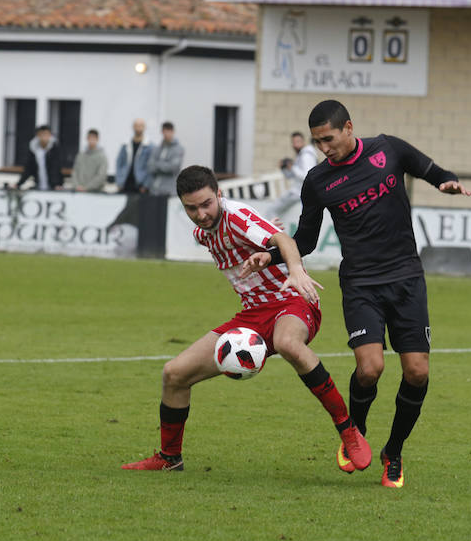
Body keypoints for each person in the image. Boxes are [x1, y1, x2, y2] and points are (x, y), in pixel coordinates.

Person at [241, 100, 471, 488]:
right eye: (317, 142)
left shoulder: (388, 149)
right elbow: (307, 240)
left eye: (328, 139)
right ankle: (355, 432)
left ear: (348, 127)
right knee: (371, 369)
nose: (324, 148)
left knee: (417, 372)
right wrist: (272, 253)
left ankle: (393, 453)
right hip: (362, 283)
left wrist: (446, 181)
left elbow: (430, 170)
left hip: (406, 278)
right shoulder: (317, 181)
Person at [121, 165, 371, 473]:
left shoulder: (235, 216)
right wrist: (266, 233)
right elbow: (253, 234)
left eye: (206, 204)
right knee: (174, 374)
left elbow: (285, 241)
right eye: (191, 208)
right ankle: (169, 458)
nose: (201, 213)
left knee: (287, 343)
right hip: (252, 315)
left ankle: (348, 431)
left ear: (220, 195)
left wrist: (294, 270)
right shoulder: (203, 232)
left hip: (290, 300)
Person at [268, 131, 318, 219]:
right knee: (276, 211)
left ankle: (272, 231)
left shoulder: (307, 155)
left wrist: (292, 167)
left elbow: (307, 176)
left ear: (303, 142)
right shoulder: (300, 155)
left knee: (272, 211)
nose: (295, 145)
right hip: (296, 192)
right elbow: (290, 176)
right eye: (294, 142)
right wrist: (284, 168)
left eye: (298, 142)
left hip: (299, 193)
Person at [16, 125, 62, 191]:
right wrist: (19, 184)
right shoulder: (33, 149)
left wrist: (56, 184)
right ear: (38, 136)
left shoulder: (54, 149)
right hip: (38, 186)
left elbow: (55, 168)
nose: (45, 137)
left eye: (47, 135)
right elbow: (28, 169)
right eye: (42, 135)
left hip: (53, 187)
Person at [115, 119, 153, 193]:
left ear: (144, 127)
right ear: (133, 127)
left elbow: (151, 168)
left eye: (140, 126)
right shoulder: (125, 145)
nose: (138, 128)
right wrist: (119, 181)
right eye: (136, 126)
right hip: (125, 184)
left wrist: (146, 185)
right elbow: (119, 163)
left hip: (140, 186)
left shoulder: (150, 146)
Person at [146, 121, 184, 196]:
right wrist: (164, 165)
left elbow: (173, 168)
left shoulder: (179, 149)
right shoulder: (157, 148)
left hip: (170, 191)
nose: (166, 134)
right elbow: (150, 166)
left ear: (173, 132)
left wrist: (157, 164)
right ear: (162, 132)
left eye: (169, 131)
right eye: (164, 131)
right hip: (154, 190)